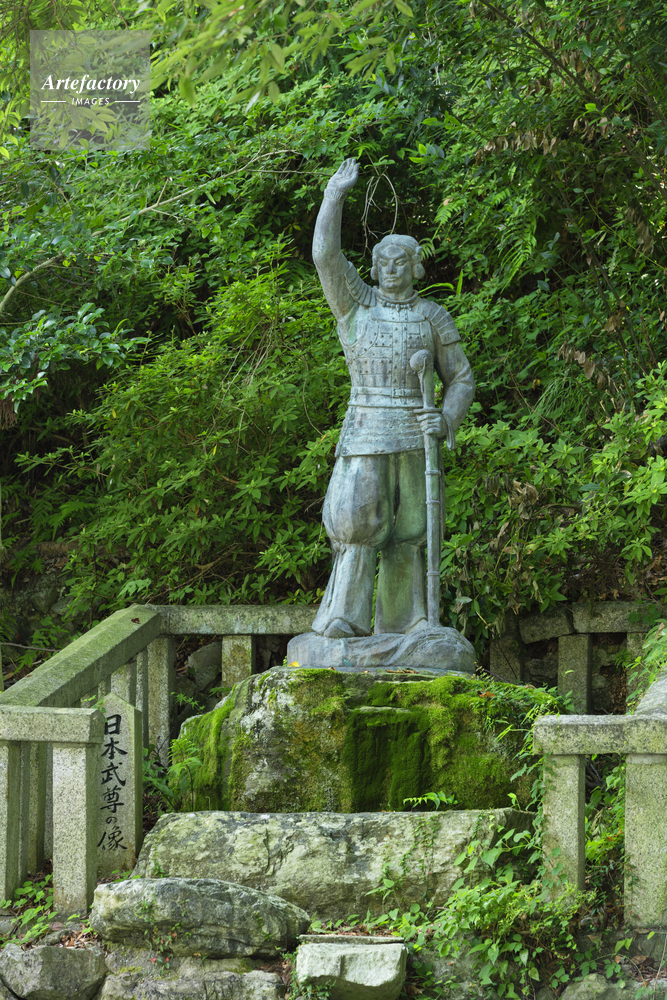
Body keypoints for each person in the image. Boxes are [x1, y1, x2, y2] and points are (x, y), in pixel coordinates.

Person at [310, 158, 475, 640]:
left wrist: (446, 419)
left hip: (417, 434)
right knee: (357, 524)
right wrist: (334, 196)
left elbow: (462, 378)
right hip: (365, 429)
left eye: (399, 262)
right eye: (382, 262)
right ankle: (343, 617)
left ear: (416, 266)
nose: (389, 270)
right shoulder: (354, 305)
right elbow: (325, 256)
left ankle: (408, 622)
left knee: (410, 531)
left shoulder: (433, 316)